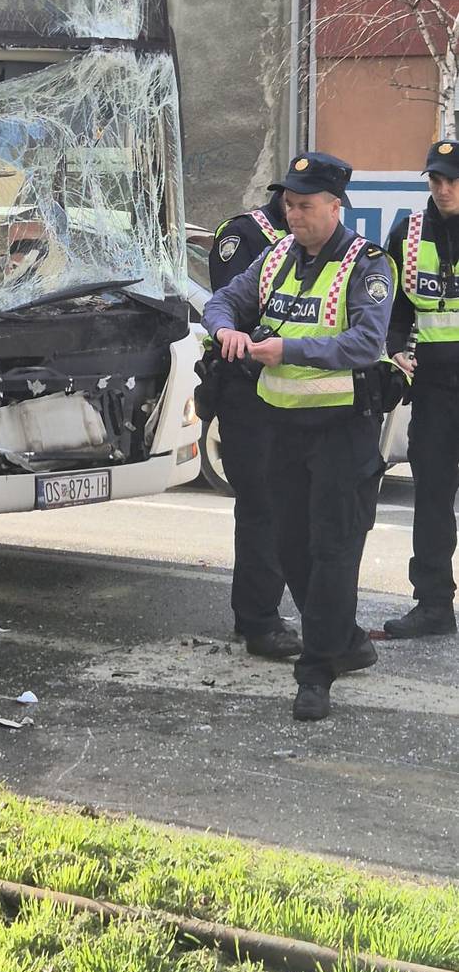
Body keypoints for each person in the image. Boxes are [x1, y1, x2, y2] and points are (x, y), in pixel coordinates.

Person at [202, 152, 394, 721]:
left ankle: (315, 673)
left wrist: (285, 350)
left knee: (330, 550)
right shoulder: (277, 254)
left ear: (335, 207)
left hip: (342, 429)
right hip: (282, 426)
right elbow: (222, 300)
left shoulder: (368, 264)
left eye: (305, 205)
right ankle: (347, 642)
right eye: (288, 202)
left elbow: (363, 343)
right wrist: (226, 330)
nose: (293, 214)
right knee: (288, 545)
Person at [208, 190, 298, 658]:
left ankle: (269, 611)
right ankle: (257, 620)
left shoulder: (303, 246)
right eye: (299, 204)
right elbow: (233, 310)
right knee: (263, 504)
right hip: (245, 389)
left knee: (286, 506)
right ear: (284, 198)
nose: (302, 214)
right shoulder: (242, 236)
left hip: (286, 392)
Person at [382, 140, 459, 638]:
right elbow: (394, 305)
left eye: (453, 180)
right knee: (431, 498)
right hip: (435, 388)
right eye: (436, 179)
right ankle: (433, 605)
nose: (444, 188)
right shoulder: (406, 233)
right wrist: (395, 348)